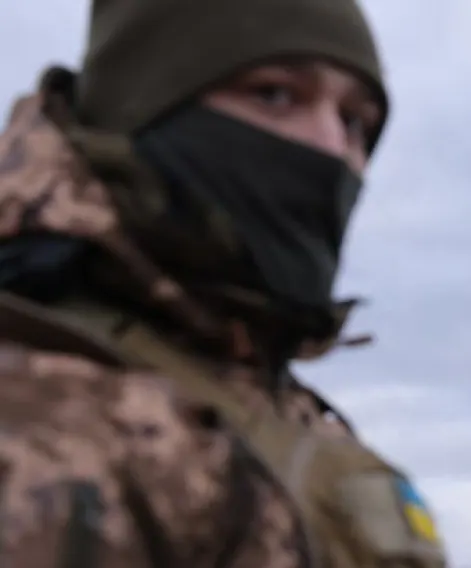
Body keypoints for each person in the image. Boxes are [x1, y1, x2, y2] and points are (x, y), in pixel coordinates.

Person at [0, 0, 447, 566]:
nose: (333, 147)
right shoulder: (38, 421)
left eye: (355, 122)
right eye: (275, 94)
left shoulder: (303, 425)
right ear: (140, 108)